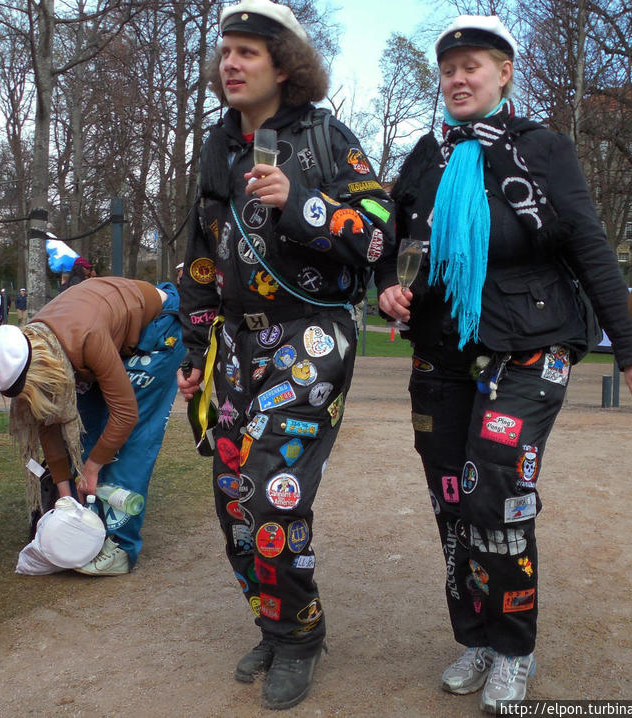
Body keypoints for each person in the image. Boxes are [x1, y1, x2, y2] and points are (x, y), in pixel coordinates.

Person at [375, 15, 632, 713]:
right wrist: (386, 288)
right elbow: (387, 243)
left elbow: (589, 244)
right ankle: (474, 634)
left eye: (473, 65)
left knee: (494, 491)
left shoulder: (540, 148)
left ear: (504, 73)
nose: (458, 78)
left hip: (532, 343)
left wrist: (629, 348)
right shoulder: (424, 156)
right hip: (442, 351)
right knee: (451, 500)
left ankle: (514, 647)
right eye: (448, 69)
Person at [176, 0, 393, 709]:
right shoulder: (218, 146)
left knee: (274, 490)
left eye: (247, 52)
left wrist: (302, 201)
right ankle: (275, 621)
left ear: (284, 65)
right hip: (234, 346)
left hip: (310, 335)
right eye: (225, 51)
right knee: (232, 504)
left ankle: (300, 639)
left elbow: (378, 233)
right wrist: (194, 345)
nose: (230, 64)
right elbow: (202, 258)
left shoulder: (328, 139)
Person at [0, 276, 185, 575]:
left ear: (39, 372)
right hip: (110, 334)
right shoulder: (39, 344)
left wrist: (92, 467)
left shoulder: (86, 338)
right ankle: (89, 531)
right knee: (85, 432)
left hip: (158, 327)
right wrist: (65, 496)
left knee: (126, 443)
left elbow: (126, 414)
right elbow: (48, 422)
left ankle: (120, 548)